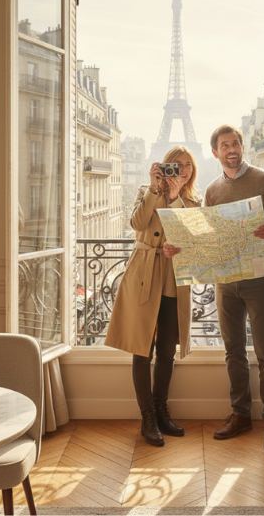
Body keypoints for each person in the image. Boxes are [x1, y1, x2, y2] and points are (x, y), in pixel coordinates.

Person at [164, 125, 264, 452]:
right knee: (233, 351)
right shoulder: (212, 190)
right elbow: (206, 237)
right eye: (225, 145)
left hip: (261, 279)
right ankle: (240, 414)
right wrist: (180, 248)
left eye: (236, 143)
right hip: (225, 281)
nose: (232, 149)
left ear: (241, 146)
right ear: (215, 152)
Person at [105, 146, 202, 447]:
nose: (181, 171)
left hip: (175, 279)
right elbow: (137, 224)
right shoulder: (145, 192)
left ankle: (161, 409)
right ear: (164, 167)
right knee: (141, 349)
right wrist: (153, 189)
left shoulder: (193, 201)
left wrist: (174, 202)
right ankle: (147, 416)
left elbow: (196, 239)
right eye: (175, 165)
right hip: (144, 276)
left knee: (167, 351)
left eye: (187, 165)